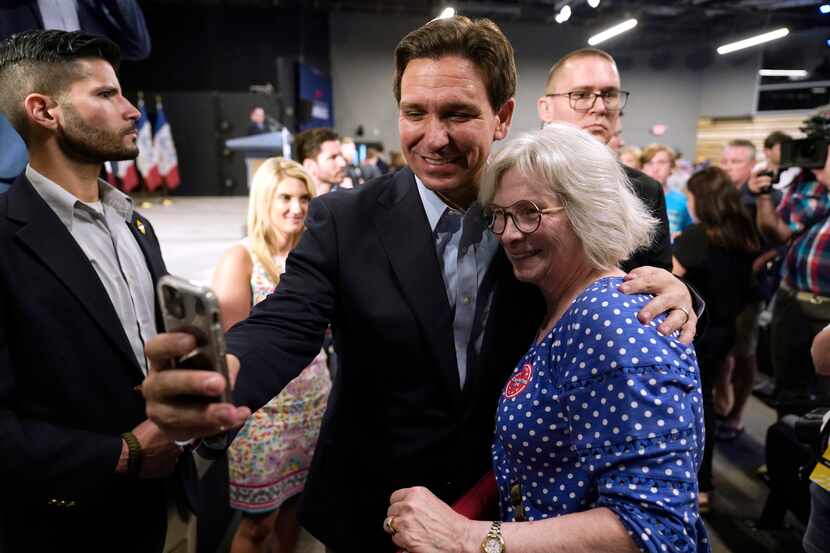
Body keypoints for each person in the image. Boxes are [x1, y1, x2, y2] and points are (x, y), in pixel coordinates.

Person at [142, 16, 698, 553]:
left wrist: (683, 299)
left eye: (458, 113)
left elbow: (629, 294)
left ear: (502, 116)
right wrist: (225, 374)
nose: (434, 138)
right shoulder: (345, 219)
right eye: (415, 113)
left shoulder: (554, 210)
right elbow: (288, 321)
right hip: (371, 509)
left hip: (510, 512)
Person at [385, 124, 707, 553]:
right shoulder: (559, 303)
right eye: (499, 216)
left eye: (529, 212)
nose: (510, 234)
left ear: (588, 209)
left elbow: (655, 528)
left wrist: (466, 537)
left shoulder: (612, 322)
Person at [0, 30, 183, 552]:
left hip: (167, 508)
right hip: (68, 525)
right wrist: (120, 454)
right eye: (106, 94)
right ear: (44, 111)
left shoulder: (136, 225)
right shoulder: (5, 240)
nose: (132, 111)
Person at [212, 157, 331, 553]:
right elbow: (234, 345)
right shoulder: (241, 258)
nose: (296, 208)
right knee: (258, 523)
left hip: (314, 406)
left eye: (303, 198)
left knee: (299, 508)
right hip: (261, 418)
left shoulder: (316, 256)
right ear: (264, 201)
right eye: (285, 197)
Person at [536, 47, 672, 271]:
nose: (599, 108)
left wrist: (679, 291)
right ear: (546, 108)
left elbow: (661, 278)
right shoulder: (515, 182)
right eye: (580, 95)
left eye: (609, 95)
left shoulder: (646, 191)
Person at [672, 167, 760, 511]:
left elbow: (671, 273)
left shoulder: (697, 235)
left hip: (698, 331)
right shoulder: (742, 233)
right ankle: (704, 485)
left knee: (693, 408)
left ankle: (697, 483)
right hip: (726, 330)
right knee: (705, 404)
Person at [748, 110, 830, 409]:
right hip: (790, 300)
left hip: (827, 313)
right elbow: (778, 233)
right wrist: (763, 195)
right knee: (788, 393)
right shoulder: (808, 184)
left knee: (825, 399)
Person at [642, 143, 692, 239]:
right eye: (650, 163)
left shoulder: (682, 201)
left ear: (672, 167)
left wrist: (682, 235)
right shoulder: (634, 200)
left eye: (661, 162)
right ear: (643, 168)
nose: (655, 169)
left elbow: (690, 231)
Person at [294, 127, 346, 195]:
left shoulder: (343, 199)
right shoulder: (299, 204)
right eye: (333, 157)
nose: (343, 163)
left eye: (341, 156)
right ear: (310, 166)